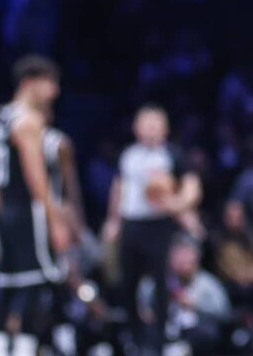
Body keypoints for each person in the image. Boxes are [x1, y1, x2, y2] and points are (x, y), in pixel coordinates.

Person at [0, 55, 68, 356]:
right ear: (30, 83)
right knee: (32, 285)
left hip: (6, 211)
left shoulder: (1, 117)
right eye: (50, 83)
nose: (55, 91)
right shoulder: (28, 121)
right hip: (28, 211)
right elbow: (36, 175)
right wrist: (54, 219)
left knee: (7, 286)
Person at [102, 106, 202, 354]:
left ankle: (158, 343)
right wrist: (112, 220)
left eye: (155, 123)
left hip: (159, 224)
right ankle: (134, 339)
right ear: (135, 127)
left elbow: (191, 187)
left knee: (160, 284)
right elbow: (118, 187)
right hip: (131, 223)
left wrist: (178, 205)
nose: (149, 128)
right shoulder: (128, 155)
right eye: (145, 123)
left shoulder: (173, 155)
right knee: (127, 283)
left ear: (165, 128)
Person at [136, 238, 231, 356]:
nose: (182, 260)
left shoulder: (208, 284)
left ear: (196, 258)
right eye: (178, 255)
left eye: (186, 255)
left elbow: (224, 313)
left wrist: (195, 305)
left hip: (196, 338)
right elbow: (142, 304)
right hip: (164, 333)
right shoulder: (158, 281)